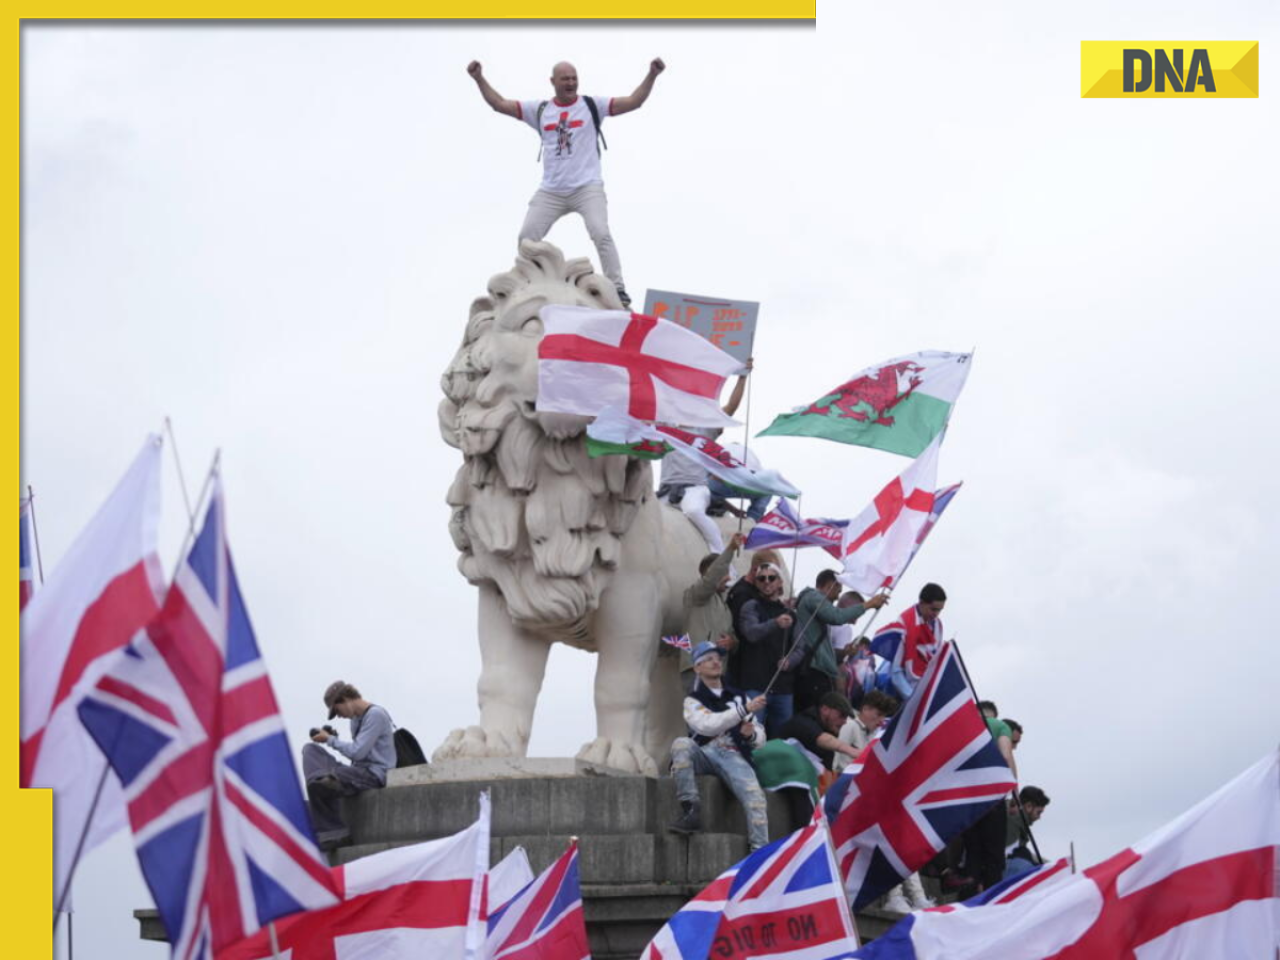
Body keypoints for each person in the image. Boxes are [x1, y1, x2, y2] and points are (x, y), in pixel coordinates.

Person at [466, 58, 665, 306]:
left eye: (574, 78)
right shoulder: (539, 110)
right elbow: (499, 104)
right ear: (553, 82)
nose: (571, 83)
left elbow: (634, 102)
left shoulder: (593, 105)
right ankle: (529, 284)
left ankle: (617, 287)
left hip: (586, 187)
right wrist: (479, 78)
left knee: (601, 232)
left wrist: (652, 74)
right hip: (552, 190)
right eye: (565, 79)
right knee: (527, 237)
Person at [667, 641, 769, 851]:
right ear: (697, 668)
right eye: (709, 659)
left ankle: (760, 855)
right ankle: (690, 809)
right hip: (705, 752)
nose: (716, 662)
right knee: (681, 744)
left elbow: (760, 737)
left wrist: (750, 736)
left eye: (718, 658)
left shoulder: (739, 696)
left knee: (756, 800)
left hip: (733, 753)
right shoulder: (692, 700)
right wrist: (743, 711)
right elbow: (707, 726)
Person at [656, 361, 752, 552]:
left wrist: (742, 376)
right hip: (665, 491)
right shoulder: (664, 427)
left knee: (693, 511)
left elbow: (730, 407)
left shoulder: (705, 427)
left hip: (695, 488)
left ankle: (720, 559)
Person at [301, 680, 396, 849]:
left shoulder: (376, 715)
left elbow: (357, 752)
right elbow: (358, 752)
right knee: (310, 750)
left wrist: (330, 740)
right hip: (357, 771)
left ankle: (334, 832)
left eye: (337, 710)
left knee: (319, 783)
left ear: (345, 699)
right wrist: (333, 737)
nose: (339, 716)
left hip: (373, 774)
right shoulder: (355, 720)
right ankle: (325, 782)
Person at [782, 571, 887, 712]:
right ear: (830, 585)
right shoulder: (813, 597)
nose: (837, 597)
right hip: (813, 672)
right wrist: (868, 605)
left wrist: (844, 652)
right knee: (810, 714)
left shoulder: (811, 602)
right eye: (838, 591)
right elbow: (836, 616)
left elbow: (825, 648)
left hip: (814, 670)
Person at [735, 563, 795, 736]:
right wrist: (775, 623)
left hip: (783, 688)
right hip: (755, 685)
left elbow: (800, 646)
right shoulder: (750, 606)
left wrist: (791, 661)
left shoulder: (790, 612)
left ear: (780, 582)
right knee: (753, 738)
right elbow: (751, 633)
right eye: (761, 578)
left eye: (771, 577)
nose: (766, 582)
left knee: (781, 740)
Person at [679, 532, 746, 688]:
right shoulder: (695, 595)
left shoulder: (725, 607)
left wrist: (732, 642)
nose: (729, 578)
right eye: (725, 573)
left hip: (718, 674)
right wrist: (730, 549)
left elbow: (733, 638)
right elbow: (711, 579)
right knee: (700, 712)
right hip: (697, 671)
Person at [879, 582, 947, 700]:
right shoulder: (904, 624)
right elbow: (896, 672)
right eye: (933, 609)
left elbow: (935, 659)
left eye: (939, 610)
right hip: (898, 692)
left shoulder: (937, 625)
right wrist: (913, 699)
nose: (936, 614)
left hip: (921, 686)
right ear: (921, 602)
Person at [1004, 785, 1050, 879]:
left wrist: (1050, 866)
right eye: (1038, 812)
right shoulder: (1013, 821)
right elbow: (1006, 853)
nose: (1039, 818)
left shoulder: (1019, 823)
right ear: (1029, 806)